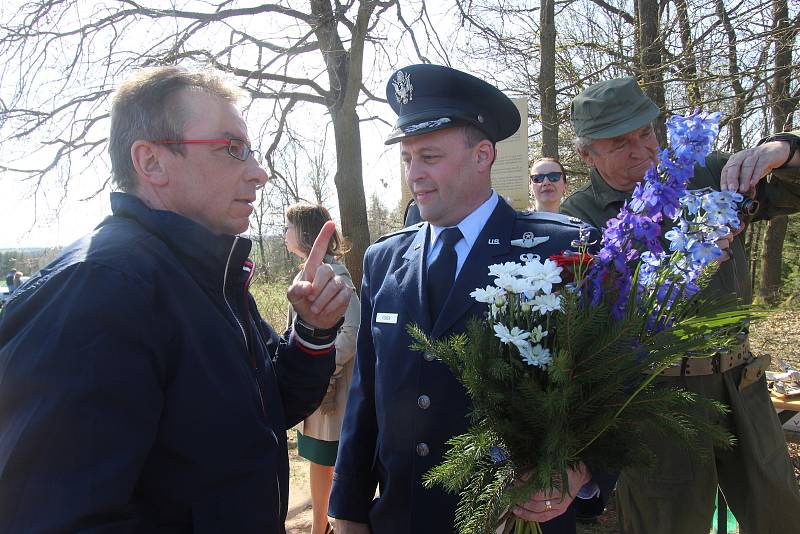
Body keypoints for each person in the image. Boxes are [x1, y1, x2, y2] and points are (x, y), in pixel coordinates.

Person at [0, 66, 352, 533]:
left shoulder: (207, 277)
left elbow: (268, 411)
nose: (259, 173)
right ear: (151, 163)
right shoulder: (98, 290)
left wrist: (311, 332)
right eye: (232, 149)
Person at [329, 64, 612, 534]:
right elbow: (367, 396)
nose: (414, 175)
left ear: (482, 156)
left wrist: (582, 469)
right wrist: (348, 509)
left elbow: (609, 385)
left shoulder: (565, 249)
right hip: (403, 518)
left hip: (515, 518)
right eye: (407, 159)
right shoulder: (384, 258)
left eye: (430, 157)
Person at [561, 76, 800, 534]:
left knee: (780, 515)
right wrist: (679, 264)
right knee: (666, 522)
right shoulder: (577, 219)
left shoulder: (707, 174)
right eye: (619, 143)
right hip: (658, 401)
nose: (642, 151)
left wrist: (781, 149)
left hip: (740, 382)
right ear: (586, 154)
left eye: (646, 133)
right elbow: (585, 328)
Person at [284, 203, 360, 534]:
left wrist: (323, 367)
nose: (284, 234)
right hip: (317, 388)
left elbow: (352, 329)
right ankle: (322, 526)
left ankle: (321, 528)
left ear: (305, 232)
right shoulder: (308, 272)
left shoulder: (335, 275)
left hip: (331, 392)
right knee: (319, 462)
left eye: (287, 227)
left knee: (325, 462)